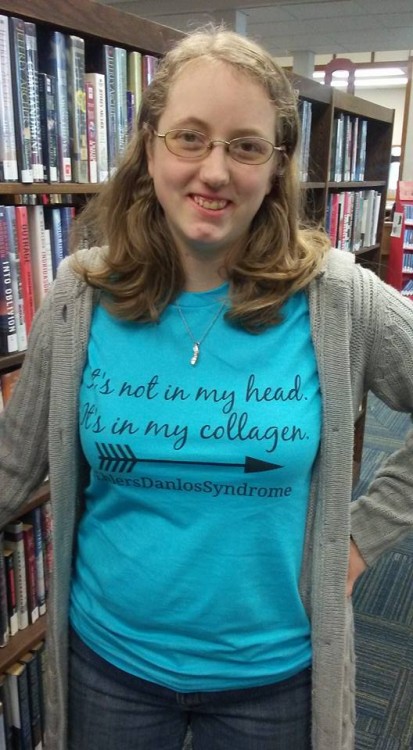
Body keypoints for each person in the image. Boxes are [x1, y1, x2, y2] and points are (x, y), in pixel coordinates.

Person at [0, 26, 412, 750]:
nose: (214, 171)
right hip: (109, 666)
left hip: (275, 678)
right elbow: (11, 466)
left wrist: (361, 534)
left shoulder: (338, 299)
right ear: (151, 146)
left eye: (245, 145)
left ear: (276, 163)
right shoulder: (78, 297)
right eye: (189, 138)